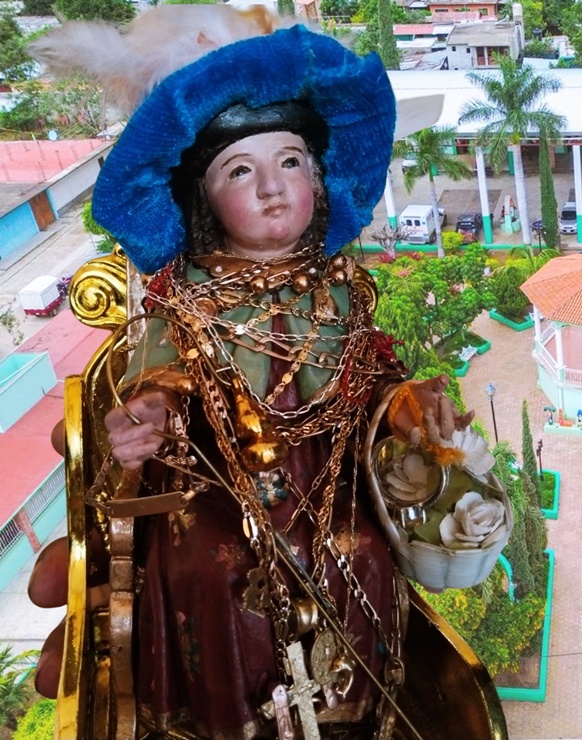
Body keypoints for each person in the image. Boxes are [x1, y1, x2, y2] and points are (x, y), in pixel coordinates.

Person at [27, 21, 453, 739]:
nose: (273, 189)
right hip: (217, 484)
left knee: (367, 552)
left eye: (290, 162)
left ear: (319, 180)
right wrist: (150, 412)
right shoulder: (184, 297)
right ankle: (229, 722)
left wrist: (407, 403)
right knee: (215, 570)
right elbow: (156, 377)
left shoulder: (341, 288)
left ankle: (355, 713)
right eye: (239, 172)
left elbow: (375, 374)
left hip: (326, 481)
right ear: (202, 198)